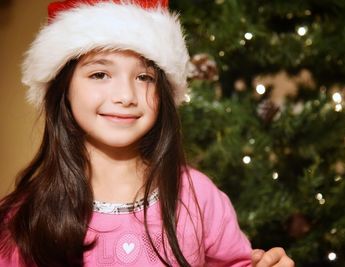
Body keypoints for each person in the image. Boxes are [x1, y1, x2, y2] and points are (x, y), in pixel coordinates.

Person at [0, 0, 295, 266]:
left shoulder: (197, 195)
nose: (126, 95)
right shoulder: (25, 215)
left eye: (144, 77)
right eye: (100, 74)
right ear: (63, 88)